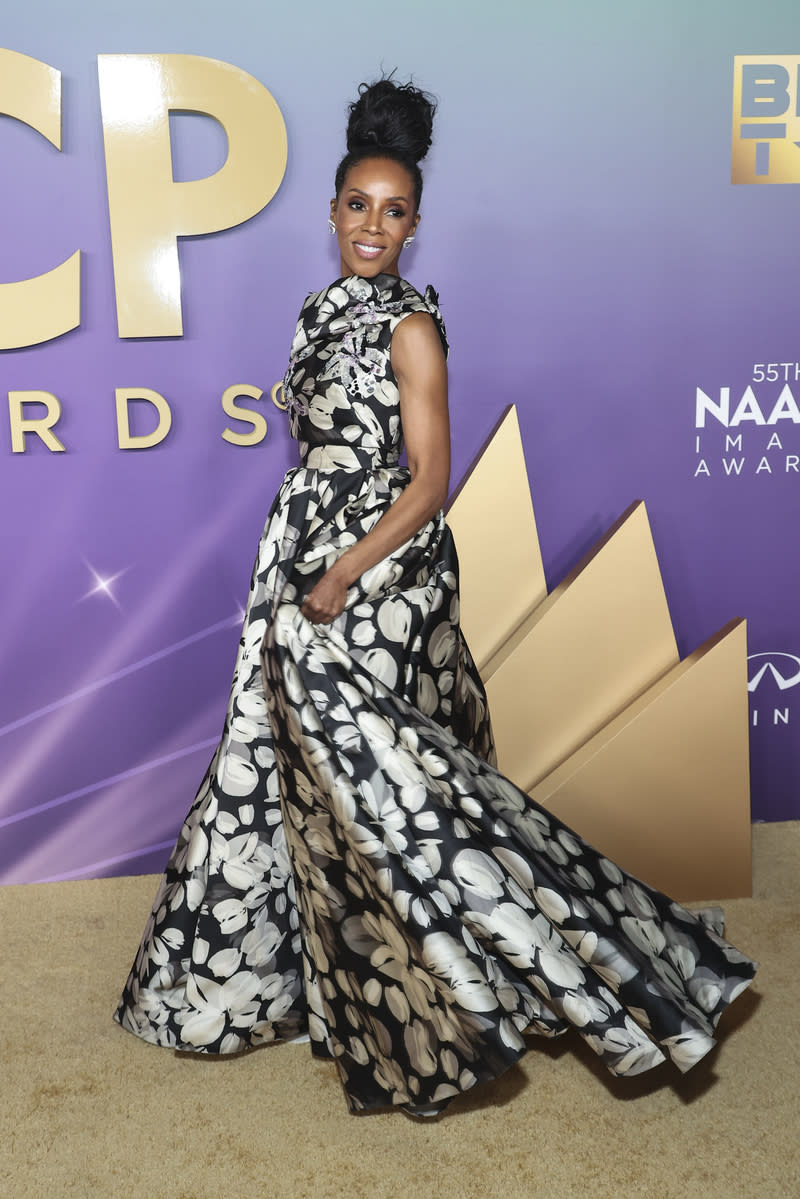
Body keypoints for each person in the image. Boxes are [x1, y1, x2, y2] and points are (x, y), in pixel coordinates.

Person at [115, 77, 757, 1118]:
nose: (374, 226)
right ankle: (269, 988)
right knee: (288, 773)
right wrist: (299, 559)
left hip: (378, 571)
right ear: (331, 212)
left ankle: (452, 1011)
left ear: (416, 223)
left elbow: (426, 481)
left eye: (395, 210)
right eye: (358, 206)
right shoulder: (319, 309)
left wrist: (336, 574)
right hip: (306, 556)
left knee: (385, 796)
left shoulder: (412, 329)